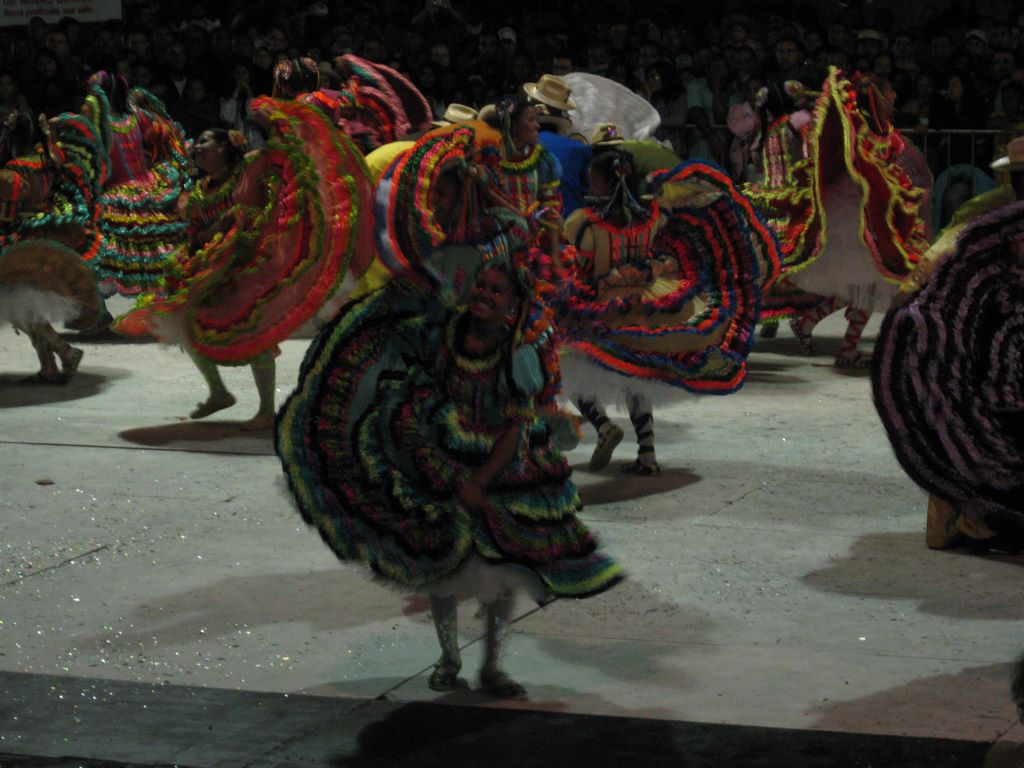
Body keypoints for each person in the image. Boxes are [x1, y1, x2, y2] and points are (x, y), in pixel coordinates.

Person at [276, 123, 621, 699]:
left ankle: (489, 663)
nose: (433, 202)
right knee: (441, 559)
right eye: (430, 193)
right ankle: (450, 659)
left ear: (464, 188)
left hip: (497, 423)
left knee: (502, 567)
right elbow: (422, 303)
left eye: (442, 193)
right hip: (442, 413)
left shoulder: (505, 243)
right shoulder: (438, 249)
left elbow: (523, 315)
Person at [117, 100, 372, 429]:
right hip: (206, 267)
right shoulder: (196, 194)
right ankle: (219, 392)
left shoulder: (252, 168)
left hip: (245, 263)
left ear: (225, 148)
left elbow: (278, 177)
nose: (197, 148)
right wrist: (202, 238)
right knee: (187, 322)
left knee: (255, 332)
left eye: (205, 142)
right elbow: (194, 231)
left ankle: (266, 410)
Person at [559, 149, 781, 474]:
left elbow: (583, 263)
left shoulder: (584, 226)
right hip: (648, 301)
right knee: (639, 376)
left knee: (570, 366)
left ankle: (604, 426)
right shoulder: (652, 216)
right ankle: (647, 454)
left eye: (594, 177)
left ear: (604, 182)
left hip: (602, 306)